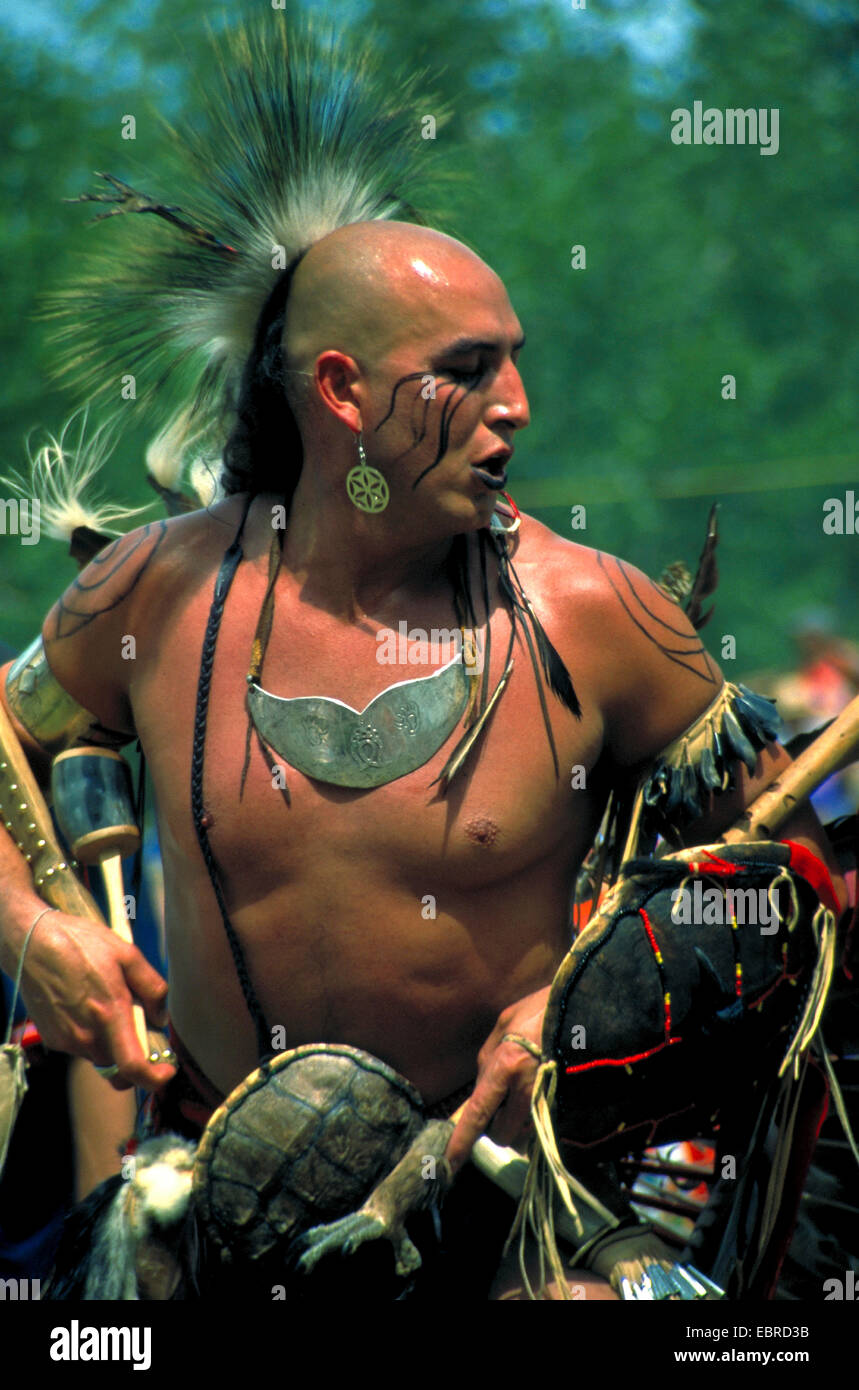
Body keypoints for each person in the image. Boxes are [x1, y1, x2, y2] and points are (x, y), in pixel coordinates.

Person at [0, 22, 847, 1299]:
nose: (517, 405)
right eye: (464, 371)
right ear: (341, 392)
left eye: (516, 361)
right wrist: (28, 929)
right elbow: (9, 736)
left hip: (512, 1225)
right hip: (214, 1217)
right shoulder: (159, 592)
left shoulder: (592, 613)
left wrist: (583, 1011)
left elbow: (786, 887)